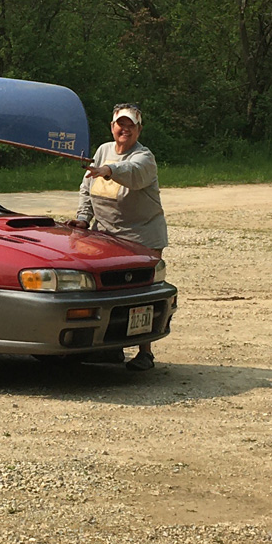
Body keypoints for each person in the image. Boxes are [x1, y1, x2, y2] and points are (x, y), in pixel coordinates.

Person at [75, 103, 167, 371]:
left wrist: (109, 171)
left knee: (141, 295)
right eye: (120, 124)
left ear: (139, 129)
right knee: (109, 292)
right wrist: (83, 218)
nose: (124, 129)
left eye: (131, 125)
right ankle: (111, 349)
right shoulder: (103, 150)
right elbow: (86, 187)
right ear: (112, 126)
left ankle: (145, 352)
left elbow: (134, 175)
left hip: (142, 236)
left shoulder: (144, 157)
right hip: (107, 235)